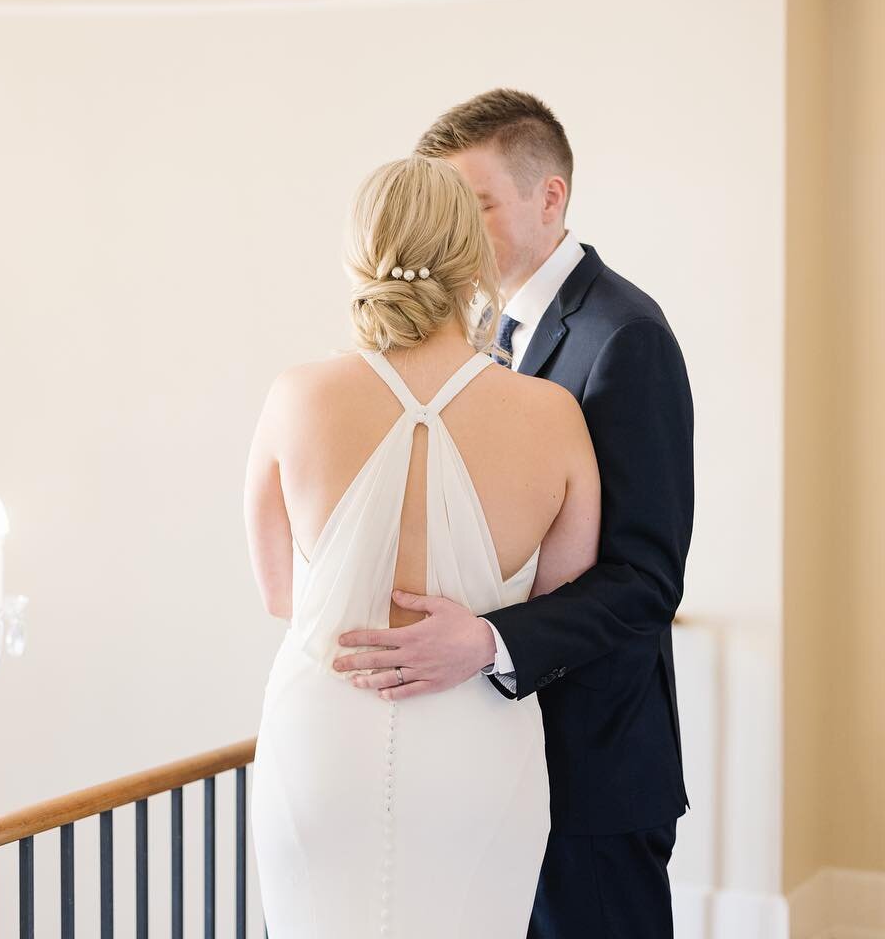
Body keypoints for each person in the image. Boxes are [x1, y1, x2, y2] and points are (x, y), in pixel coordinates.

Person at [333, 89, 694, 938]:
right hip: (487, 761)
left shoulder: (623, 335)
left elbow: (647, 579)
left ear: (550, 197)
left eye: (477, 204)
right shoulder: (476, 340)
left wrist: (490, 642)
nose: (456, 231)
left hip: (590, 771)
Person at [244, 154, 600, 937]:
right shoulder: (551, 416)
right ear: (472, 259)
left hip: (323, 742)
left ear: (358, 258)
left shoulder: (296, 397)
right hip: (477, 749)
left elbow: (281, 596)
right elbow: (562, 604)